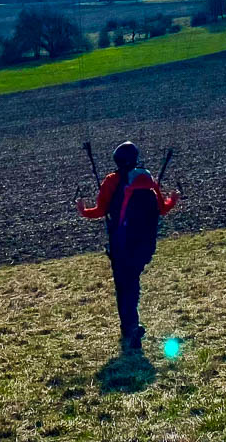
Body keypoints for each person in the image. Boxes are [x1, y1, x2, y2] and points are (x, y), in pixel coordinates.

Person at [77, 140, 179, 349]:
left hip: (121, 243)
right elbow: (161, 208)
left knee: (124, 285)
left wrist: (82, 209)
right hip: (145, 243)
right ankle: (131, 325)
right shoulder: (146, 178)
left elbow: (99, 211)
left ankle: (130, 327)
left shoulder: (111, 180)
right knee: (132, 281)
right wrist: (173, 199)